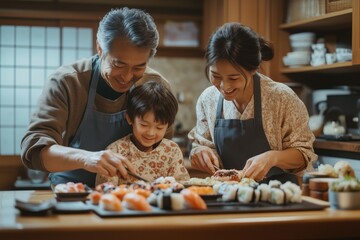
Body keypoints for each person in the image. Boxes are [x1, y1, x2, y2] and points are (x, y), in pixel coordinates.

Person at [21, 7, 173, 188]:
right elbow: (34, 151)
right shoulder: (68, 82)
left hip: (130, 194)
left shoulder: (156, 86)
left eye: (138, 67)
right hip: (72, 190)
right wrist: (86, 158)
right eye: (118, 64)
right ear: (100, 48)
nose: (126, 77)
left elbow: (162, 149)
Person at [188, 22, 317, 183]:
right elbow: (201, 144)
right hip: (228, 194)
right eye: (216, 76)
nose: (224, 86)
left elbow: (303, 154)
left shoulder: (282, 98)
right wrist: (200, 152)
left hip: (280, 194)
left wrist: (272, 158)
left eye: (233, 78)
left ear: (253, 69)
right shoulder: (208, 99)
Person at [96, 81, 190, 186]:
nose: (151, 133)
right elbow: (105, 191)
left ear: (168, 125)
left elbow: (182, 186)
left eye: (159, 127)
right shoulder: (116, 151)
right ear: (130, 118)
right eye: (144, 125)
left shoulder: (171, 151)